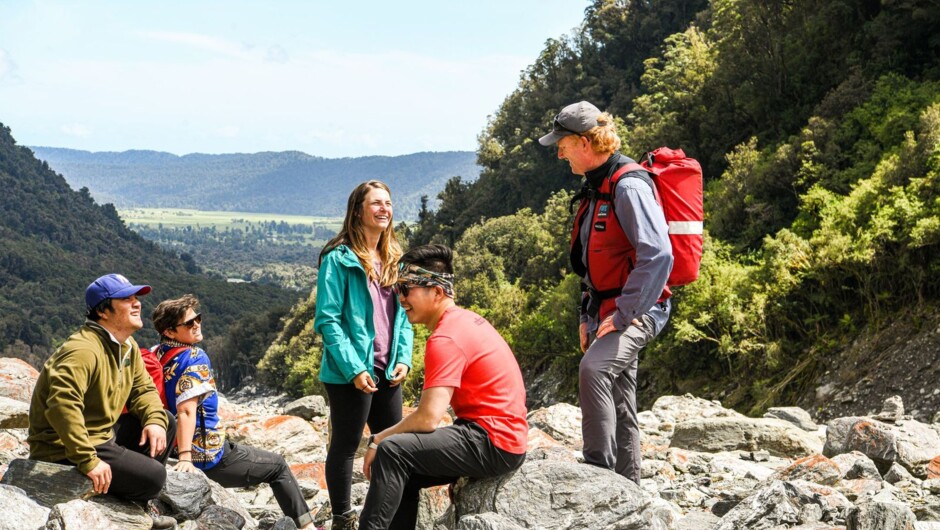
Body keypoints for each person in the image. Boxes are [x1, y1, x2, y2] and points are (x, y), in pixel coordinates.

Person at [538, 100, 673, 484]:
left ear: (584, 142)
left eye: (562, 144)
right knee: (619, 396)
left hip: (642, 306)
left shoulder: (627, 186)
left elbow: (659, 254)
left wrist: (625, 313)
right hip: (607, 308)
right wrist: (588, 316)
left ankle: (598, 476)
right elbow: (591, 262)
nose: (559, 153)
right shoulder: (597, 185)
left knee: (594, 369)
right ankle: (628, 488)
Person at [359, 244, 528, 530]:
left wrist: (377, 439)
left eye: (406, 289)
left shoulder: (445, 338)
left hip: (493, 441)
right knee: (403, 469)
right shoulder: (465, 320)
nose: (401, 298)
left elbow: (428, 419)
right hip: (501, 438)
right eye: (398, 289)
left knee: (392, 451)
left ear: (437, 292)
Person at [151, 294, 318, 529]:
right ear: (170, 331)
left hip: (169, 447)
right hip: (206, 455)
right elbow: (186, 410)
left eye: (198, 318)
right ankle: (308, 527)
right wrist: (187, 458)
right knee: (278, 466)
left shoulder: (157, 352)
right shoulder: (194, 357)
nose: (197, 324)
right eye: (189, 323)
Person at [27, 273, 177, 528]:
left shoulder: (126, 345)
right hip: (60, 447)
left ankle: (137, 502)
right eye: (126, 299)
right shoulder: (82, 350)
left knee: (166, 421)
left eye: (136, 297)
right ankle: (128, 502)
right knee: (154, 477)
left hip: (100, 434)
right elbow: (62, 406)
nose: (137, 303)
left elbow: (143, 389)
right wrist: (88, 460)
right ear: (103, 311)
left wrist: (154, 419)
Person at [314, 180, 414, 530]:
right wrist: (354, 369)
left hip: (388, 368)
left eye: (388, 202)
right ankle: (342, 519)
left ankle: (394, 519)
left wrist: (404, 358)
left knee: (394, 447)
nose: (384, 209)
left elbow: (405, 315)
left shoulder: (396, 259)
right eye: (376, 203)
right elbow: (327, 320)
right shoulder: (337, 258)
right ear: (358, 211)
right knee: (345, 446)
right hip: (349, 372)